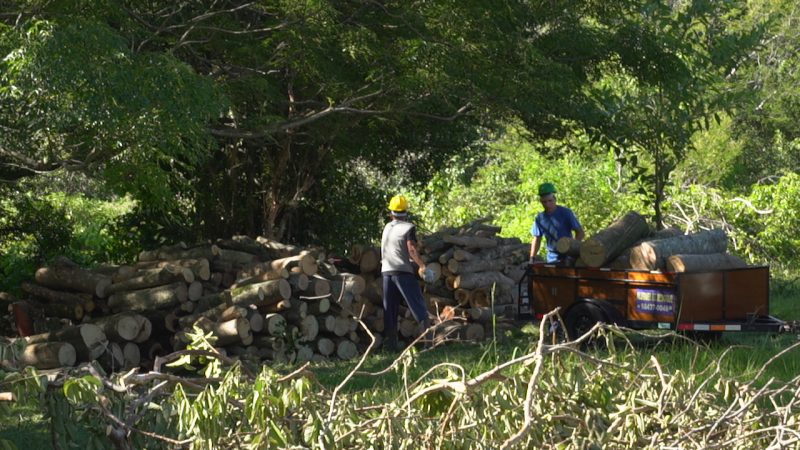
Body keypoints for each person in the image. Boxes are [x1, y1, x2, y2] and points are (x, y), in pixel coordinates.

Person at [381, 194, 432, 351]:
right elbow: (411, 249)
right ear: (406, 212)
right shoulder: (408, 228)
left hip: (386, 273)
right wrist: (422, 266)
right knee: (418, 307)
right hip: (403, 272)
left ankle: (390, 346)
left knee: (390, 310)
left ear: (391, 213)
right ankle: (428, 344)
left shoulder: (387, 227)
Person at [530, 182, 585, 265]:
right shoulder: (540, 218)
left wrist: (573, 248)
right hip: (552, 258)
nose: (547, 204)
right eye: (544, 202)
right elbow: (537, 239)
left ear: (555, 199)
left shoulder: (566, 213)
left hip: (568, 257)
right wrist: (532, 258)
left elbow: (580, 232)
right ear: (541, 201)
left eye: (550, 201)